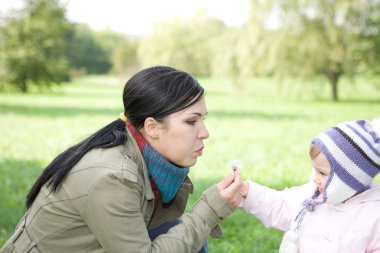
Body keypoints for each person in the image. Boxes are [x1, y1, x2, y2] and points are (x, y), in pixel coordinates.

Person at [0, 66, 244, 253]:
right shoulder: (113, 177)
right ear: (152, 127)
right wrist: (210, 209)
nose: (204, 133)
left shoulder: (149, 160)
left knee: (187, 238)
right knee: (191, 233)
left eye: (203, 120)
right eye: (192, 121)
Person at [240, 118, 380, 252]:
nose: (315, 179)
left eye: (322, 173)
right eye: (315, 170)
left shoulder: (373, 216)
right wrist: (249, 192)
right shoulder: (310, 197)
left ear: (350, 178)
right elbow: (279, 204)